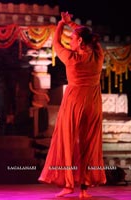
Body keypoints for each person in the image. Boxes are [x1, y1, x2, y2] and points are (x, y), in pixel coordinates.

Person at [38, 11, 106, 198]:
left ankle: (68, 184)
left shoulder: (71, 58)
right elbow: (91, 39)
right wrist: (73, 25)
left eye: (74, 39)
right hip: (93, 103)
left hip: (74, 102)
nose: (71, 41)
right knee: (88, 144)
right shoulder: (98, 55)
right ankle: (84, 188)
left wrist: (62, 24)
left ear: (80, 43)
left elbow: (56, 43)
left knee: (67, 142)